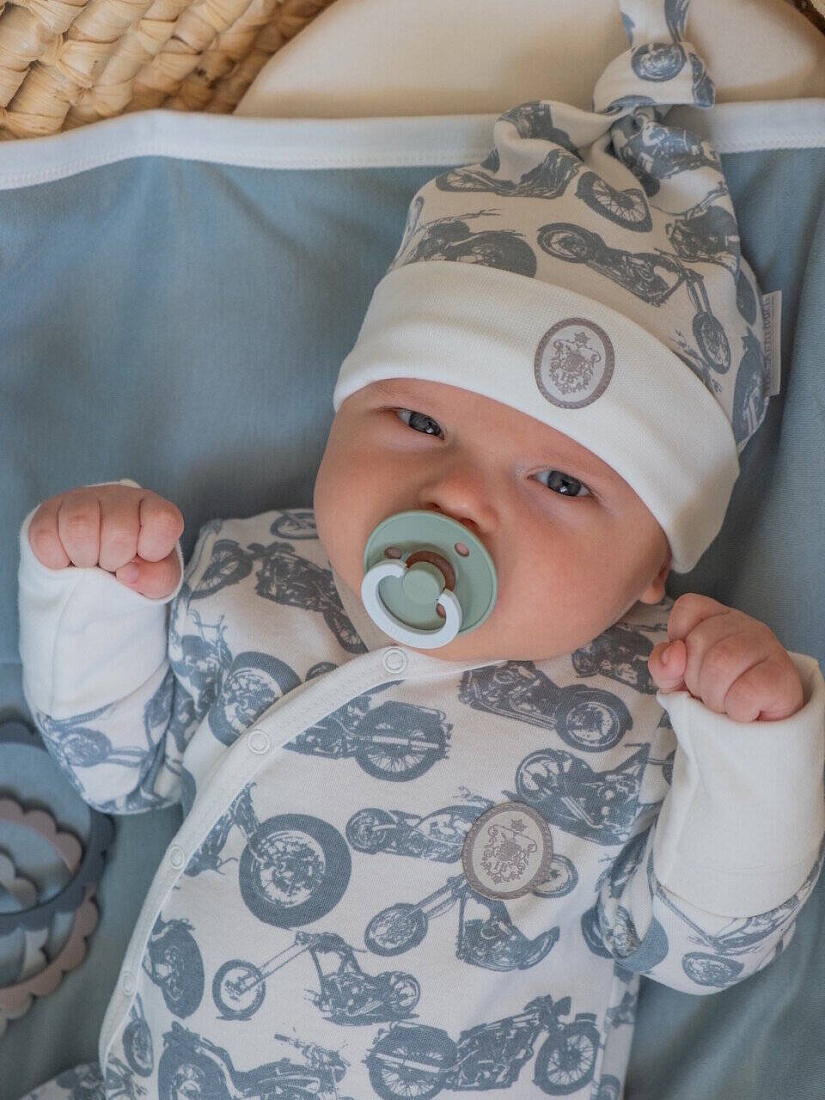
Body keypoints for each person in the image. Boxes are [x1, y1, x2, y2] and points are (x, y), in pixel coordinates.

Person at [16, 0, 825, 1096]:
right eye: (418, 421)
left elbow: (702, 945)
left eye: (561, 482)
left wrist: (753, 748)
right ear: (340, 415)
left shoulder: (643, 707)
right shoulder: (247, 580)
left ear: (652, 570)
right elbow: (113, 761)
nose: (456, 494)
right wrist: (92, 584)